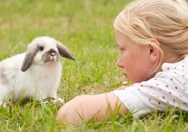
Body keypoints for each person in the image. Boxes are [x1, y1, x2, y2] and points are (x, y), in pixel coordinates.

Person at [56, 0, 188, 124]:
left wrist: (125, 93)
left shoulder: (173, 82)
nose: (119, 63)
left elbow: (70, 113)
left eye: (122, 49)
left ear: (152, 50)